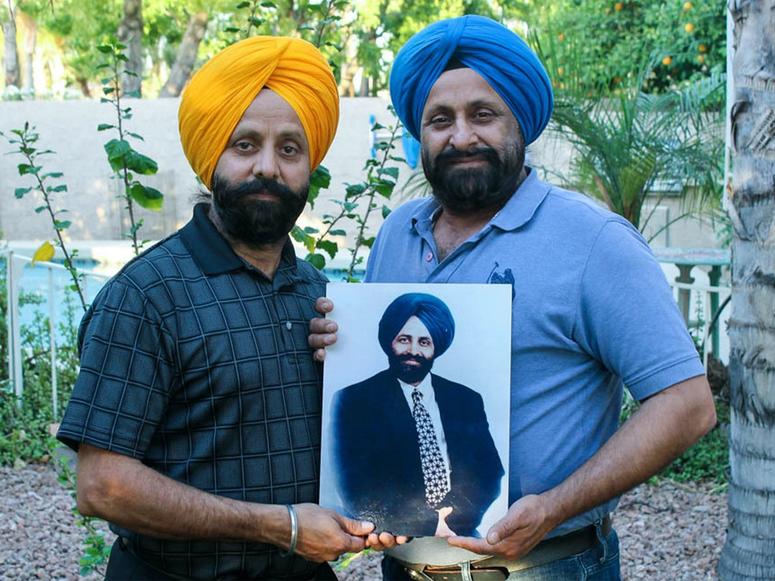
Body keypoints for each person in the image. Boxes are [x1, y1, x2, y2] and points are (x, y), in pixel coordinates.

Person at [309, 14, 717, 580]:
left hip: (543, 567)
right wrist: (339, 338)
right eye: (439, 120)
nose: (462, 137)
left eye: (483, 115)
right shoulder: (397, 233)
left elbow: (687, 405)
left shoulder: (593, 242)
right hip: (404, 569)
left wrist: (554, 507)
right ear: (419, 133)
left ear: (519, 123)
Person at [55, 36, 376, 581]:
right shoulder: (147, 295)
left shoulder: (320, 297)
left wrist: (351, 371)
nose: (268, 168)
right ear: (211, 158)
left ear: (310, 166)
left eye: (290, 149)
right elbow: (102, 485)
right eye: (244, 145)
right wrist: (282, 527)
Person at [331, 293, 504, 538]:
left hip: (462, 531)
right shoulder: (353, 401)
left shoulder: (466, 399)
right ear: (389, 341)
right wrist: (429, 524)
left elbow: (489, 471)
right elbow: (353, 483)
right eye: (404, 339)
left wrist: (453, 521)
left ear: (436, 347)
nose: (413, 351)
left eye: (424, 342)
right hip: (396, 535)